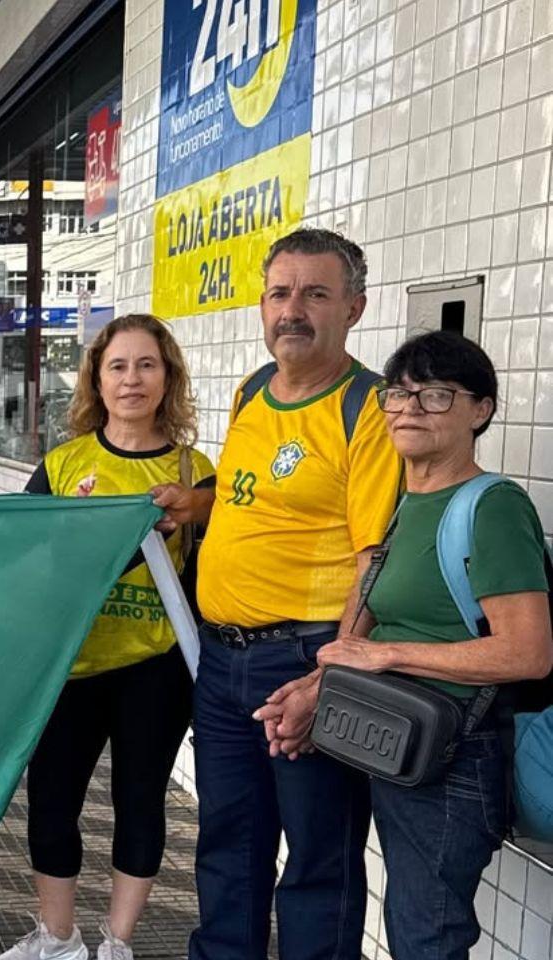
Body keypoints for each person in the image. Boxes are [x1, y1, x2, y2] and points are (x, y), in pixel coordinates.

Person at [154, 228, 402, 960]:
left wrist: (329, 676)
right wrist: (191, 505)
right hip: (222, 660)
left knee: (318, 862)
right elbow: (246, 496)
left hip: (302, 662)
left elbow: (376, 559)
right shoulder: (252, 390)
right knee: (227, 848)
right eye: (280, 293)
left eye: (315, 294)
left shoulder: (370, 408)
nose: (293, 310)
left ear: (354, 308)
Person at [316, 331, 553, 959]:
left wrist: (388, 655)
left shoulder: (492, 506)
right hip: (395, 738)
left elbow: (529, 653)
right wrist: (315, 688)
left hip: (456, 756)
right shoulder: (405, 500)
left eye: (436, 395)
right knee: (412, 922)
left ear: (481, 411)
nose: (410, 408)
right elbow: (365, 624)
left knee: (427, 932)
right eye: (398, 394)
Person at [0, 315, 213, 960]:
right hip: (73, 663)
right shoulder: (64, 465)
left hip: (156, 664)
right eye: (118, 366)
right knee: (53, 800)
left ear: (168, 376)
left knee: (140, 801)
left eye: (147, 365)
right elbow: (17, 551)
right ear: (96, 376)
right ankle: (58, 939)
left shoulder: (193, 471)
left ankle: (116, 944)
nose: (132, 379)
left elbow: (208, 576)